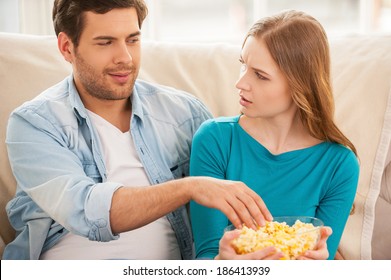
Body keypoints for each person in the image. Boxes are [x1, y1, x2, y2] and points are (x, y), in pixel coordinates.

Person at [3, 0, 272, 260]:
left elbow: (237, 189)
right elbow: (87, 211)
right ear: (67, 47)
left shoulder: (185, 113)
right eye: (105, 42)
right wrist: (189, 187)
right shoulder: (34, 123)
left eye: (132, 39)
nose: (125, 57)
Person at [190, 10, 359, 260]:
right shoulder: (214, 140)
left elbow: (323, 254)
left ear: (300, 85)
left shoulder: (339, 165)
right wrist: (221, 263)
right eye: (243, 65)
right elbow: (205, 255)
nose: (241, 83)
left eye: (260, 75)